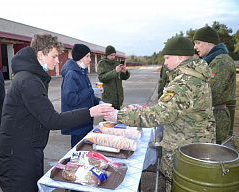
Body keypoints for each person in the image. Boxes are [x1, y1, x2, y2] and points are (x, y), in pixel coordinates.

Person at [0, 33, 113, 192]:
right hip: (18, 155)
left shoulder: (31, 77)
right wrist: (90, 112)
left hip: (27, 150)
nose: (58, 61)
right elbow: (52, 120)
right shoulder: (28, 81)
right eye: (54, 56)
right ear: (40, 55)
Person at [104, 37, 216, 191]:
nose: (165, 63)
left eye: (168, 58)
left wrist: (118, 116)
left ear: (180, 57)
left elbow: (158, 115)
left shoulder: (184, 83)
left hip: (185, 151)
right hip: (194, 146)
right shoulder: (195, 75)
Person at [193, 26, 236, 144]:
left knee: (209, 156)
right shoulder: (210, 60)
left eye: (198, 43)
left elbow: (212, 92)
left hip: (215, 119)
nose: (195, 47)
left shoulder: (221, 61)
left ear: (208, 42)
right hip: (209, 116)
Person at [61, 44, 103, 148]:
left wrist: (99, 101)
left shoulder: (82, 72)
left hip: (84, 121)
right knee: (78, 152)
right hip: (77, 124)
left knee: (85, 150)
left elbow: (86, 95)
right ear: (80, 58)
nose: (90, 60)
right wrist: (90, 90)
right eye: (87, 56)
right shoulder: (71, 74)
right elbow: (71, 99)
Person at [97, 45, 130, 110]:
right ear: (107, 55)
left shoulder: (117, 63)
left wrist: (124, 72)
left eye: (114, 55)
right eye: (111, 55)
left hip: (118, 96)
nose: (113, 57)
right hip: (108, 97)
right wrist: (115, 71)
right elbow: (101, 78)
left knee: (118, 117)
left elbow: (123, 77)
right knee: (108, 117)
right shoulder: (102, 64)